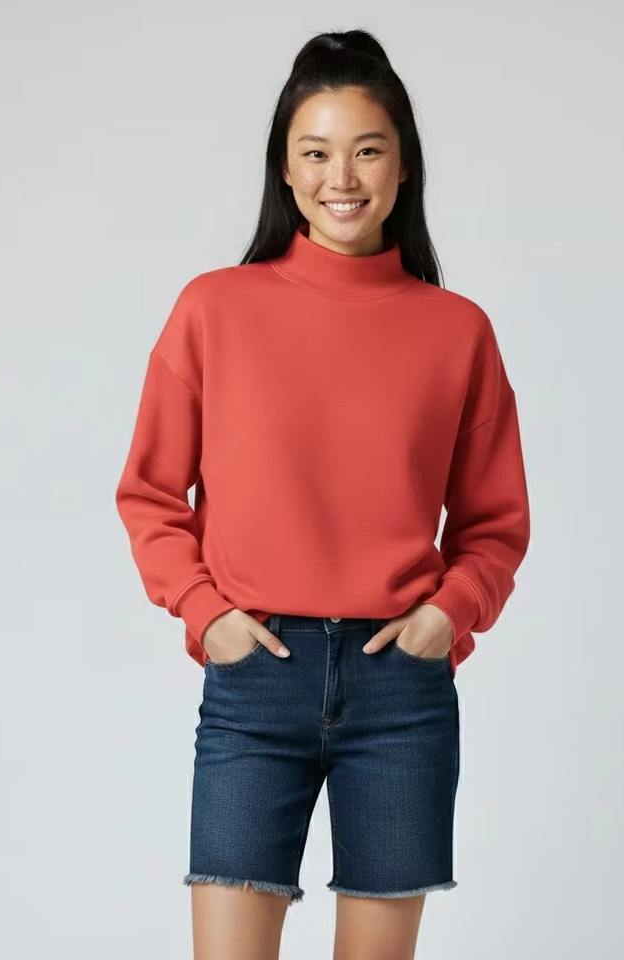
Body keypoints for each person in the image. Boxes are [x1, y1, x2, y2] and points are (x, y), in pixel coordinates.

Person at [115, 28, 530, 960]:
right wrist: (205, 612)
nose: (341, 177)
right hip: (255, 680)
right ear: (285, 170)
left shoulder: (457, 331)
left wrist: (449, 615)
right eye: (315, 153)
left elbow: (496, 523)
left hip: (400, 690)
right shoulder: (214, 309)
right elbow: (149, 493)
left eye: (367, 150)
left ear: (403, 166)